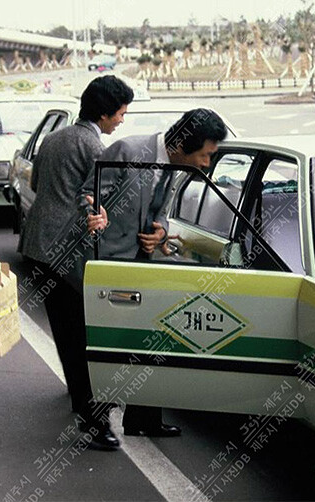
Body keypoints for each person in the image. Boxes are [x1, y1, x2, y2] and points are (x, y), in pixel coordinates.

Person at [85, 108, 227, 435]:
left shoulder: (172, 167)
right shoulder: (128, 151)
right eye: (205, 155)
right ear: (183, 146)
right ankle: (97, 424)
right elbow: (87, 196)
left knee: (148, 342)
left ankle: (143, 420)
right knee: (109, 346)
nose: (207, 164)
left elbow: (160, 212)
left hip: (143, 268)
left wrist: (160, 231)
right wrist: (95, 215)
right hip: (109, 267)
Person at [19, 75, 135, 451]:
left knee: (65, 330)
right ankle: (93, 419)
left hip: (38, 243)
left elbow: (36, 184)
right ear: (103, 113)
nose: (122, 119)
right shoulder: (94, 146)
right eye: (120, 113)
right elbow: (96, 200)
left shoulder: (54, 138)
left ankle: (79, 400)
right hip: (69, 250)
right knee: (86, 334)